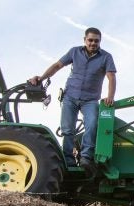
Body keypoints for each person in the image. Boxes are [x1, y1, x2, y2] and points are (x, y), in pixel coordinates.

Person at [29, 27, 116, 174]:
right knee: (68, 128)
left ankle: (86, 157)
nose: (93, 43)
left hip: (90, 100)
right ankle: (68, 159)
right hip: (70, 96)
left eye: (96, 41)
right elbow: (58, 65)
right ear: (85, 40)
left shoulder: (106, 57)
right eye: (90, 40)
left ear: (100, 42)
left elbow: (111, 77)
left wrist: (110, 97)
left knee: (92, 124)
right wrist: (41, 78)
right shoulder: (74, 52)